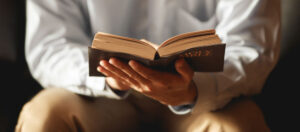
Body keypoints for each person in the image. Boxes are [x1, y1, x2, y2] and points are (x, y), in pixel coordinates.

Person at [16, 0, 280, 132]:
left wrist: (191, 90)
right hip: (99, 95)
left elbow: (252, 47)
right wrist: (109, 76)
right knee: (42, 117)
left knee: (237, 127)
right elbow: (49, 45)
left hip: (206, 96)